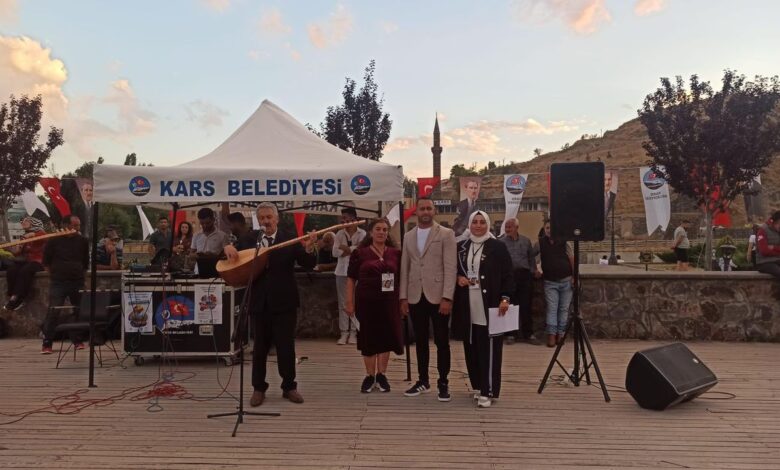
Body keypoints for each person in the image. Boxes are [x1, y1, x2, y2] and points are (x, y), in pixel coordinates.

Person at [224, 203, 316, 406]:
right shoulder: (250, 239)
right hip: (259, 302)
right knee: (259, 348)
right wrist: (228, 247)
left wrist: (309, 247)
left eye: (269, 217)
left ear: (276, 219)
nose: (265, 221)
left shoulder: (289, 238)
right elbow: (233, 255)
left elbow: (308, 263)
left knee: (286, 347)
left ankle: (289, 387)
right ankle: (258, 388)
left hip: (284, 301)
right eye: (262, 218)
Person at [452, 211, 513, 408]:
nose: (478, 226)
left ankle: (489, 389)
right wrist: (458, 279)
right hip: (468, 305)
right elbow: (453, 270)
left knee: (490, 350)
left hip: (490, 305)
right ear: (469, 224)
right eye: (475, 222)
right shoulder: (461, 247)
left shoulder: (498, 247)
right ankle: (478, 386)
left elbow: (508, 275)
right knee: (472, 348)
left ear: (487, 225)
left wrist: (505, 298)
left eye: (482, 222)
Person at [400, 197, 457, 401]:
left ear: (434, 211)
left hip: (438, 295)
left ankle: (443, 382)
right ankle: (422, 380)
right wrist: (403, 297)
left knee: (442, 341)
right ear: (417, 212)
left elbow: (451, 267)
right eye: (422, 208)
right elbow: (404, 267)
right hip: (416, 295)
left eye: (429, 208)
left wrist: (447, 297)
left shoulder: (446, 234)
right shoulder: (408, 236)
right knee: (420, 341)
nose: (425, 211)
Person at [344, 218, 404, 394]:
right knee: (368, 337)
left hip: (389, 302)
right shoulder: (359, 254)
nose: (382, 232)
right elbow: (350, 279)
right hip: (366, 301)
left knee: (386, 336)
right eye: (378, 229)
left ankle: (382, 374)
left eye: (385, 229)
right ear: (371, 232)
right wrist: (349, 302)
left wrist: (403, 300)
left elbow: (402, 278)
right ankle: (369, 375)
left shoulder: (395, 254)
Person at [41, 215, 90, 354]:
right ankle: (47, 342)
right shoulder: (53, 240)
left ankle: (77, 340)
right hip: (58, 282)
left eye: (79, 225)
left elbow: (85, 262)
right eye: (75, 225)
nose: (77, 228)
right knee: (53, 311)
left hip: (77, 281)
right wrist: (54, 276)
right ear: (66, 226)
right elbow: (46, 262)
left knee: (79, 311)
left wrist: (82, 276)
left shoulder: (83, 241)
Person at [498, 217, 542, 346]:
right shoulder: (501, 243)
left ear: (517, 227)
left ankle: (528, 334)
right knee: (510, 305)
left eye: (510, 227)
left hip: (524, 276)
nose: (507, 229)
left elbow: (531, 258)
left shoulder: (526, 241)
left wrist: (534, 270)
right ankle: (511, 334)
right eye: (506, 227)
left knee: (526, 305)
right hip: (509, 276)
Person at [536, 220, 574, 348]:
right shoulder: (540, 243)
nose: (549, 230)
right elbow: (533, 257)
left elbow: (571, 259)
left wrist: (575, 276)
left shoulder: (565, 241)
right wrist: (536, 269)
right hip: (550, 281)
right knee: (552, 308)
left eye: (551, 228)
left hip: (566, 280)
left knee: (563, 309)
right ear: (544, 229)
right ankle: (551, 335)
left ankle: (561, 334)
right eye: (547, 228)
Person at [332, 207, 366, 345]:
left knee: (355, 302)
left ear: (353, 219)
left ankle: (354, 332)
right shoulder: (339, 234)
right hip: (341, 272)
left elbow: (361, 252)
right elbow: (334, 252)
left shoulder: (362, 234)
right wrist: (352, 249)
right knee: (343, 303)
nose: (343, 221)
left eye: (346, 219)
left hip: (357, 273)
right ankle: (344, 332)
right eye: (343, 219)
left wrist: (346, 249)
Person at [4, 217, 47, 311]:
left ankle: (19, 297)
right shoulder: (24, 236)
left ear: (33, 223)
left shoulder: (41, 233)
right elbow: (17, 253)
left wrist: (31, 235)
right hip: (26, 261)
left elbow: (40, 238)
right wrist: (9, 248)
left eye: (25, 221)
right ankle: (13, 295)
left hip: (38, 262)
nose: (22, 222)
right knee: (12, 269)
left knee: (25, 270)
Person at [191, 208, 230, 278]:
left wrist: (214, 256)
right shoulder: (196, 235)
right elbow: (191, 254)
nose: (205, 225)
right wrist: (198, 255)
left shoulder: (222, 235)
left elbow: (227, 255)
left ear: (213, 220)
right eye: (202, 223)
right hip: (198, 271)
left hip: (217, 271)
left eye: (208, 223)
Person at [755, 210, 780, 280]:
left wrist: (773, 247)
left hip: (777, 260)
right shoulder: (763, 230)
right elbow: (764, 251)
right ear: (775, 222)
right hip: (764, 262)